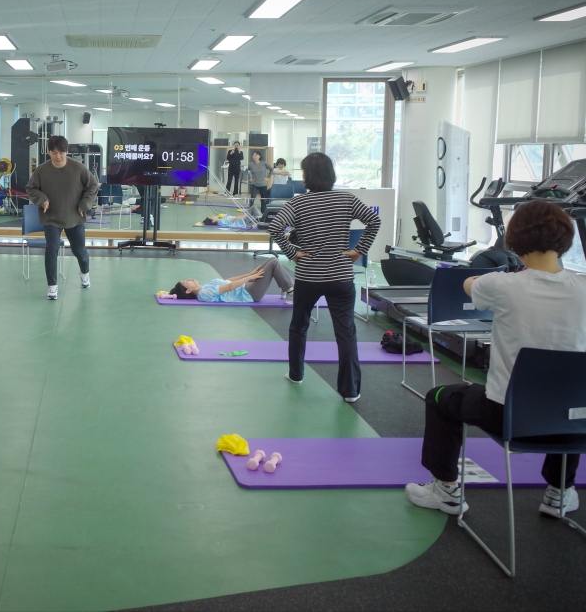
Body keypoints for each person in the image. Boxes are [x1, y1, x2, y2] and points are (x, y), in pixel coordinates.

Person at [406, 200, 586, 517]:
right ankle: (560, 492)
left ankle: (446, 490)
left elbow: (468, 284)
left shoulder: (501, 285)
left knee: (439, 397)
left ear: (514, 240)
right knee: (567, 396)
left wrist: (484, 280)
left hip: (509, 417)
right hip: (577, 423)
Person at [267, 152, 380, 403]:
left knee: (299, 326)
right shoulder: (346, 199)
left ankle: (296, 374)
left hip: (309, 275)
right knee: (346, 332)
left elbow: (275, 227)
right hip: (340, 275)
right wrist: (357, 251)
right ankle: (350, 390)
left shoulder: (299, 203)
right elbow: (374, 221)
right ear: (330, 174)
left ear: (307, 175)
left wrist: (293, 253)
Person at [26, 135, 99, 300]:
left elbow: (93, 185)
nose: (57, 156)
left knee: (79, 251)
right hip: (51, 217)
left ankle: (85, 274)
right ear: (48, 152)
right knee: (52, 249)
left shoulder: (78, 168)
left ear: (67, 151)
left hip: (74, 216)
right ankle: (52, 287)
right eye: (54, 152)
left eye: (61, 152)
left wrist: (84, 204)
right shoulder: (42, 170)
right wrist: (42, 198)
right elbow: (31, 188)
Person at [168, 258, 294, 303]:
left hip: (247, 288)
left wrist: (250, 274)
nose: (189, 278)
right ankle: (290, 292)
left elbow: (227, 281)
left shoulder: (204, 286)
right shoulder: (204, 293)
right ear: (188, 290)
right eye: (186, 281)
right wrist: (249, 278)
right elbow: (229, 287)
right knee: (274, 263)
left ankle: (286, 288)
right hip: (251, 294)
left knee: (270, 260)